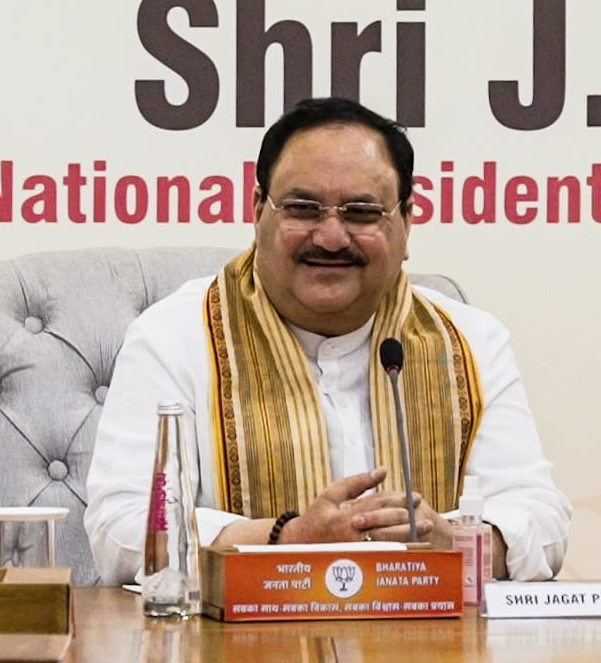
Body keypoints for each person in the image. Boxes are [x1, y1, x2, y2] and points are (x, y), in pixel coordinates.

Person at [85, 96, 573, 581]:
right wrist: (285, 540)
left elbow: (540, 517)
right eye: (303, 208)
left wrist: (457, 546)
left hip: (433, 648)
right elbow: (123, 530)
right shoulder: (174, 337)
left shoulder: (469, 340)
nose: (332, 236)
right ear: (259, 211)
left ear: (406, 222)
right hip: (231, 654)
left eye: (362, 213)